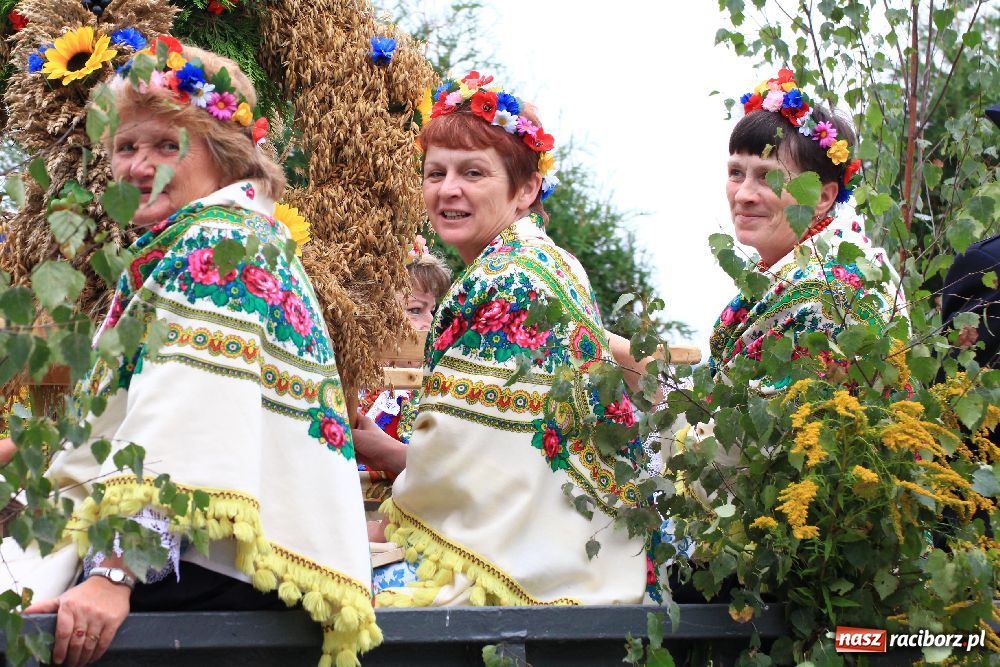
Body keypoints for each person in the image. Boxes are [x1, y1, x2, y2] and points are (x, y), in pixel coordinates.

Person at [1, 37, 378, 667]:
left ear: (225, 156)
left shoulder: (216, 251)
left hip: (207, 570)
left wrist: (114, 573)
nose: (139, 165)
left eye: (166, 145)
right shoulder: (223, 238)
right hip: (227, 560)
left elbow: (184, 421)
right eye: (126, 147)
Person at [364, 71, 652, 607]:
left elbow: (471, 459)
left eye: (473, 173)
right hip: (580, 548)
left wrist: (382, 469)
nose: (448, 189)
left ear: (525, 190)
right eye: (435, 172)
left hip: (528, 568)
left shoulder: (510, 279)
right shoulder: (547, 262)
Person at [708, 68, 906, 390]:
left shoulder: (831, 293)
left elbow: (761, 433)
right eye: (735, 172)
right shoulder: (785, 273)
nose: (743, 194)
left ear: (822, 197)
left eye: (767, 177)